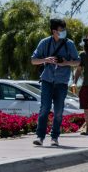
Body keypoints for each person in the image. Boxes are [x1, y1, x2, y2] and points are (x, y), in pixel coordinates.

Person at [30, 19, 81, 147]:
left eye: (64, 30)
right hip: (47, 80)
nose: (63, 32)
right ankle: (40, 136)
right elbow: (33, 60)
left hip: (61, 82)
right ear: (54, 31)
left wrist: (66, 62)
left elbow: (78, 61)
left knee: (58, 111)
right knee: (44, 108)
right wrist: (46, 60)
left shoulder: (69, 44)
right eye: (61, 30)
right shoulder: (45, 43)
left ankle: (54, 137)